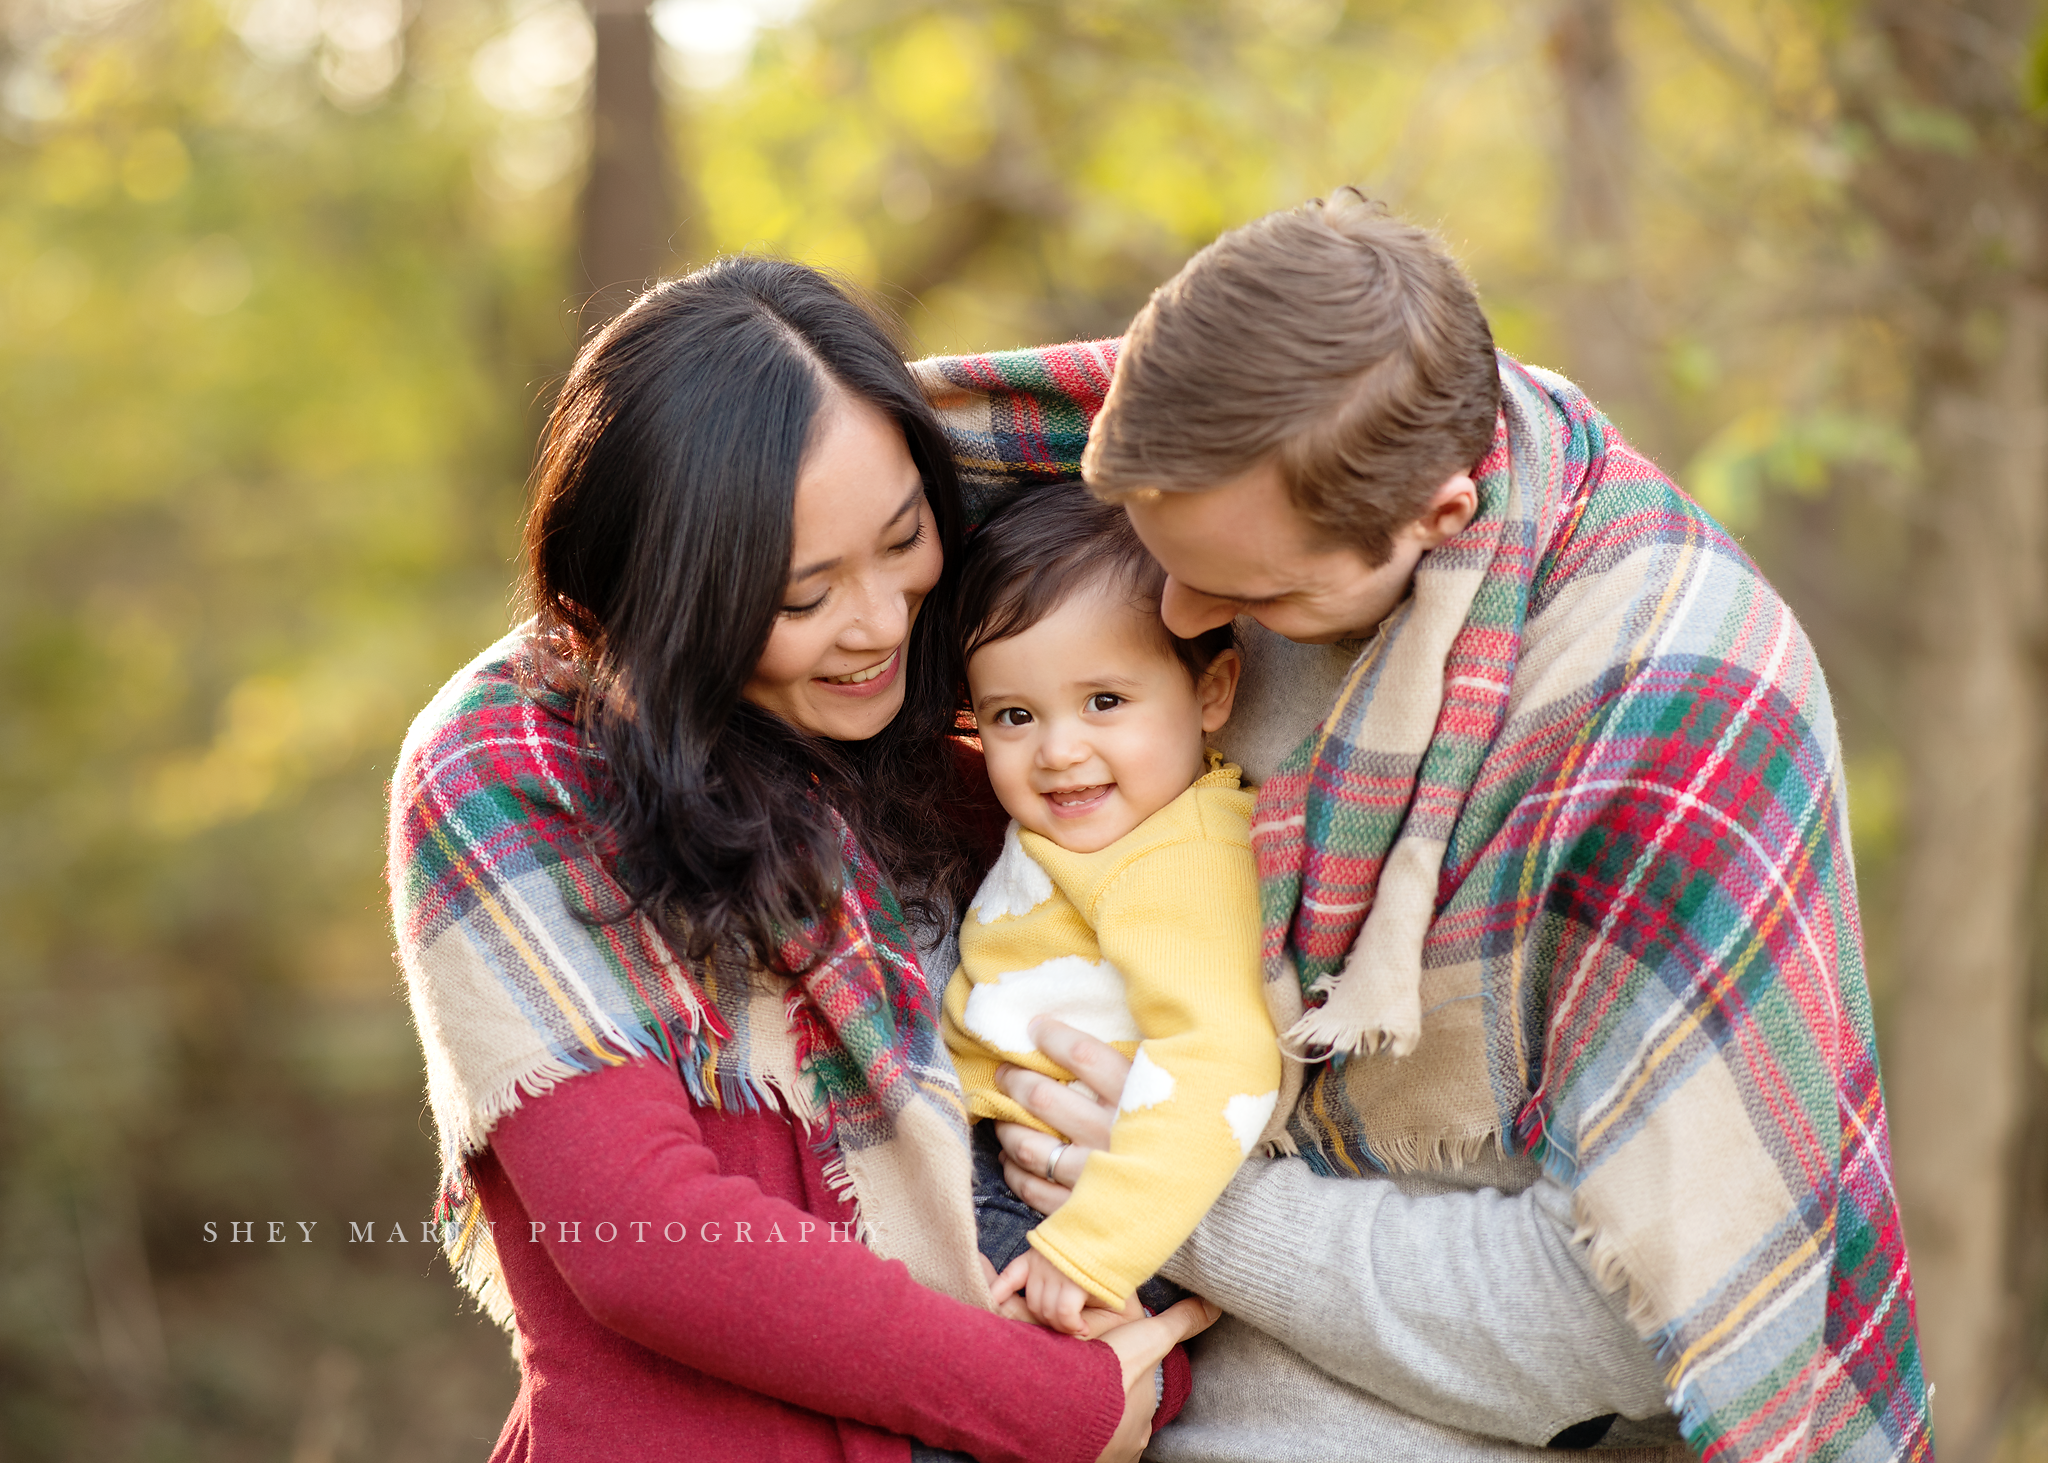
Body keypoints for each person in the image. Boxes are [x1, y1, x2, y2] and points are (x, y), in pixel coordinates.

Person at [909, 191, 1931, 1463]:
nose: (1176, 615)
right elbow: (793, 502)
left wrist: (1180, 1195)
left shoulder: (1672, 715)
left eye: (1252, 594)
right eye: (1160, 556)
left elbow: (1633, 1324)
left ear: (1438, 518)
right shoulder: (1222, 441)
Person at [386, 257, 1213, 1463]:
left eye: (902, 541)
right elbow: (640, 1235)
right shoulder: (511, 763)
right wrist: (1054, 1403)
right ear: (671, 596)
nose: (878, 620)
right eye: (802, 592)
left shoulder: (991, 717)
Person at [938, 485, 1280, 1335]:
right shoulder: (1109, 827)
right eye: (1014, 716)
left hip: (1080, 1209)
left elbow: (1221, 1064)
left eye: (1104, 702)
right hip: (994, 1155)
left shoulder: (1183, 856)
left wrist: (1091, 1248)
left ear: (1212, 692)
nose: (1058, 750)